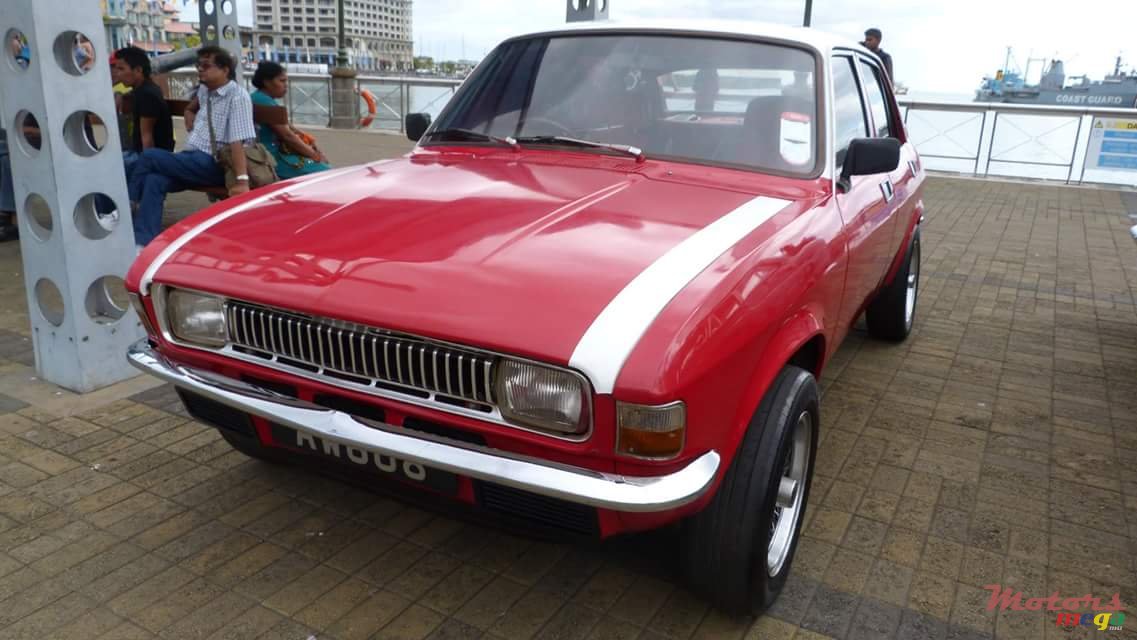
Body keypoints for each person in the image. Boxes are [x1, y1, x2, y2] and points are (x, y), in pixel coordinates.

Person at [128, 46, 256, 249]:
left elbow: (237, 141)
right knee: (154, 180)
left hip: (214, 163)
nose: (200, 69)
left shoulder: (238, 97)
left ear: (224, 70)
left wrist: (242, 182)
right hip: (191, 160)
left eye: (206, 65)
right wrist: (189, 113)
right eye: (198, 65)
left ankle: (127, 205)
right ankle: (142, 241)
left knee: (149, 157)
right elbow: (192, 106)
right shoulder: (205, 90)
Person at [249, 61, 330, 179]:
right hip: (271, 157)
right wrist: (315, 155)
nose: (286, 85)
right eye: (282, 81)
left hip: (274, 153)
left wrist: (309, 144)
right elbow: (288, 136)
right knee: (325, 172)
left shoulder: (260, 98)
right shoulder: (263, 101)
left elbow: (289, 128)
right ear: (267, 82)